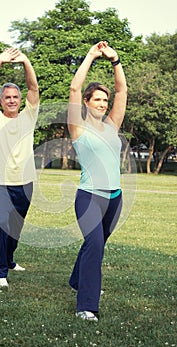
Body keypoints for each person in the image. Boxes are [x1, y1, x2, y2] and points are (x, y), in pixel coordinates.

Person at [68, 41, 127, 321]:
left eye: (105, 100)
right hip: (90, 196)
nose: (103, 104)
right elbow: (74, 89)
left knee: (98, 242)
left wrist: (115, 60)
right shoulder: (78, 127)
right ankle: (87, 306)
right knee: (95, 245)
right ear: (87, 103)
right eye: (98, 100)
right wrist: (91, 56)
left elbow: (122, 90)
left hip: (115, 198)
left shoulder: (112, 125)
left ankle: (77, 280)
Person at [0, 47, 39, 287]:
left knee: (15, 227)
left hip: (24, 182)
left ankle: (9, 258)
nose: (13, 100)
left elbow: (33, 88)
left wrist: (25, 61)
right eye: (8, 97)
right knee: (1, 224)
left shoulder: (28, 117)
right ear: (1, 100)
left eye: (16, 96)